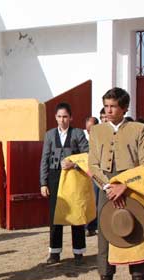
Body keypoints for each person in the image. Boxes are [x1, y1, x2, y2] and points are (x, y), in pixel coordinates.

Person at [88, 87, 144, 280]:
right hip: (106, 190)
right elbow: (93, 165)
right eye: (106, 106)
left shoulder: (138, 129)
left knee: (135, 237)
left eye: (113, 106)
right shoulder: (96, 131)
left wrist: (125, 185)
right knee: (105, 240)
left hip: (132, 191)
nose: (108, 111)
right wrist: (107, 186)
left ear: (124, 108)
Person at [39, 103, 89, 265]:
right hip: (54, 177)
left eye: (65, 117)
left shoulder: (78, 133)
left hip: (73, 177)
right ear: (55, 118)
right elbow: (44, 160)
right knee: (55, 215)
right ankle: (54, 252)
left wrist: (73, 164)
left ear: (71, 118)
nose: (62, 120)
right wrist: (43, 183)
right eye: (59, 117)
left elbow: (87, 155)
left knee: (76, 213)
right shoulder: (49, 135)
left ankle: (78, 252)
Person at [85, 116, 100, 237]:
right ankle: (88, 226)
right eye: (88, 129)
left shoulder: (100, 138)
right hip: (84, 174)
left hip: (96, 174)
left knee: (96, 201)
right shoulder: (83, 137)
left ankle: (92, 227)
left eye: (91, 129)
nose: (89, 131)